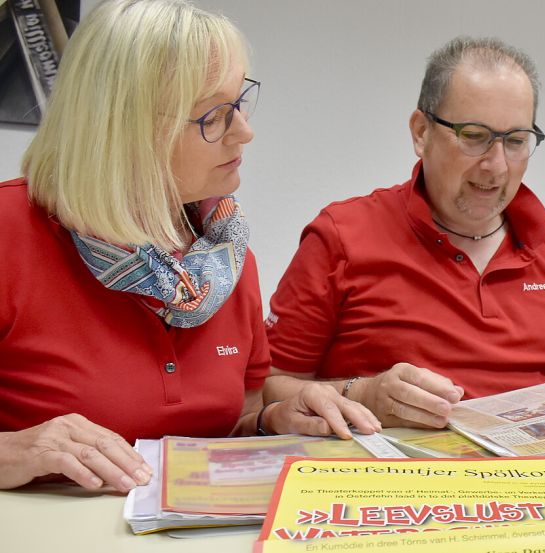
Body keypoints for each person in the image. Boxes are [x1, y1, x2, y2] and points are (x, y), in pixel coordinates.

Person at [0, 0, 377, 493]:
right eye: (214, 117)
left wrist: (274, 421)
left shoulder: (223, 254)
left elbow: (231, 420)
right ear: (124, 129)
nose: (245, 131)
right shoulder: (11, 233)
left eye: (239, 103)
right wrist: (11, 451)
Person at [265, 36, 545, 429]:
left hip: (534, 478)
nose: (497, 165)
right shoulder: (341, 237)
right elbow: (266, 389)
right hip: (395, 480)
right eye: (474, 136)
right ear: (421, 132)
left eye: (517, 141)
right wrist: (362, 393)